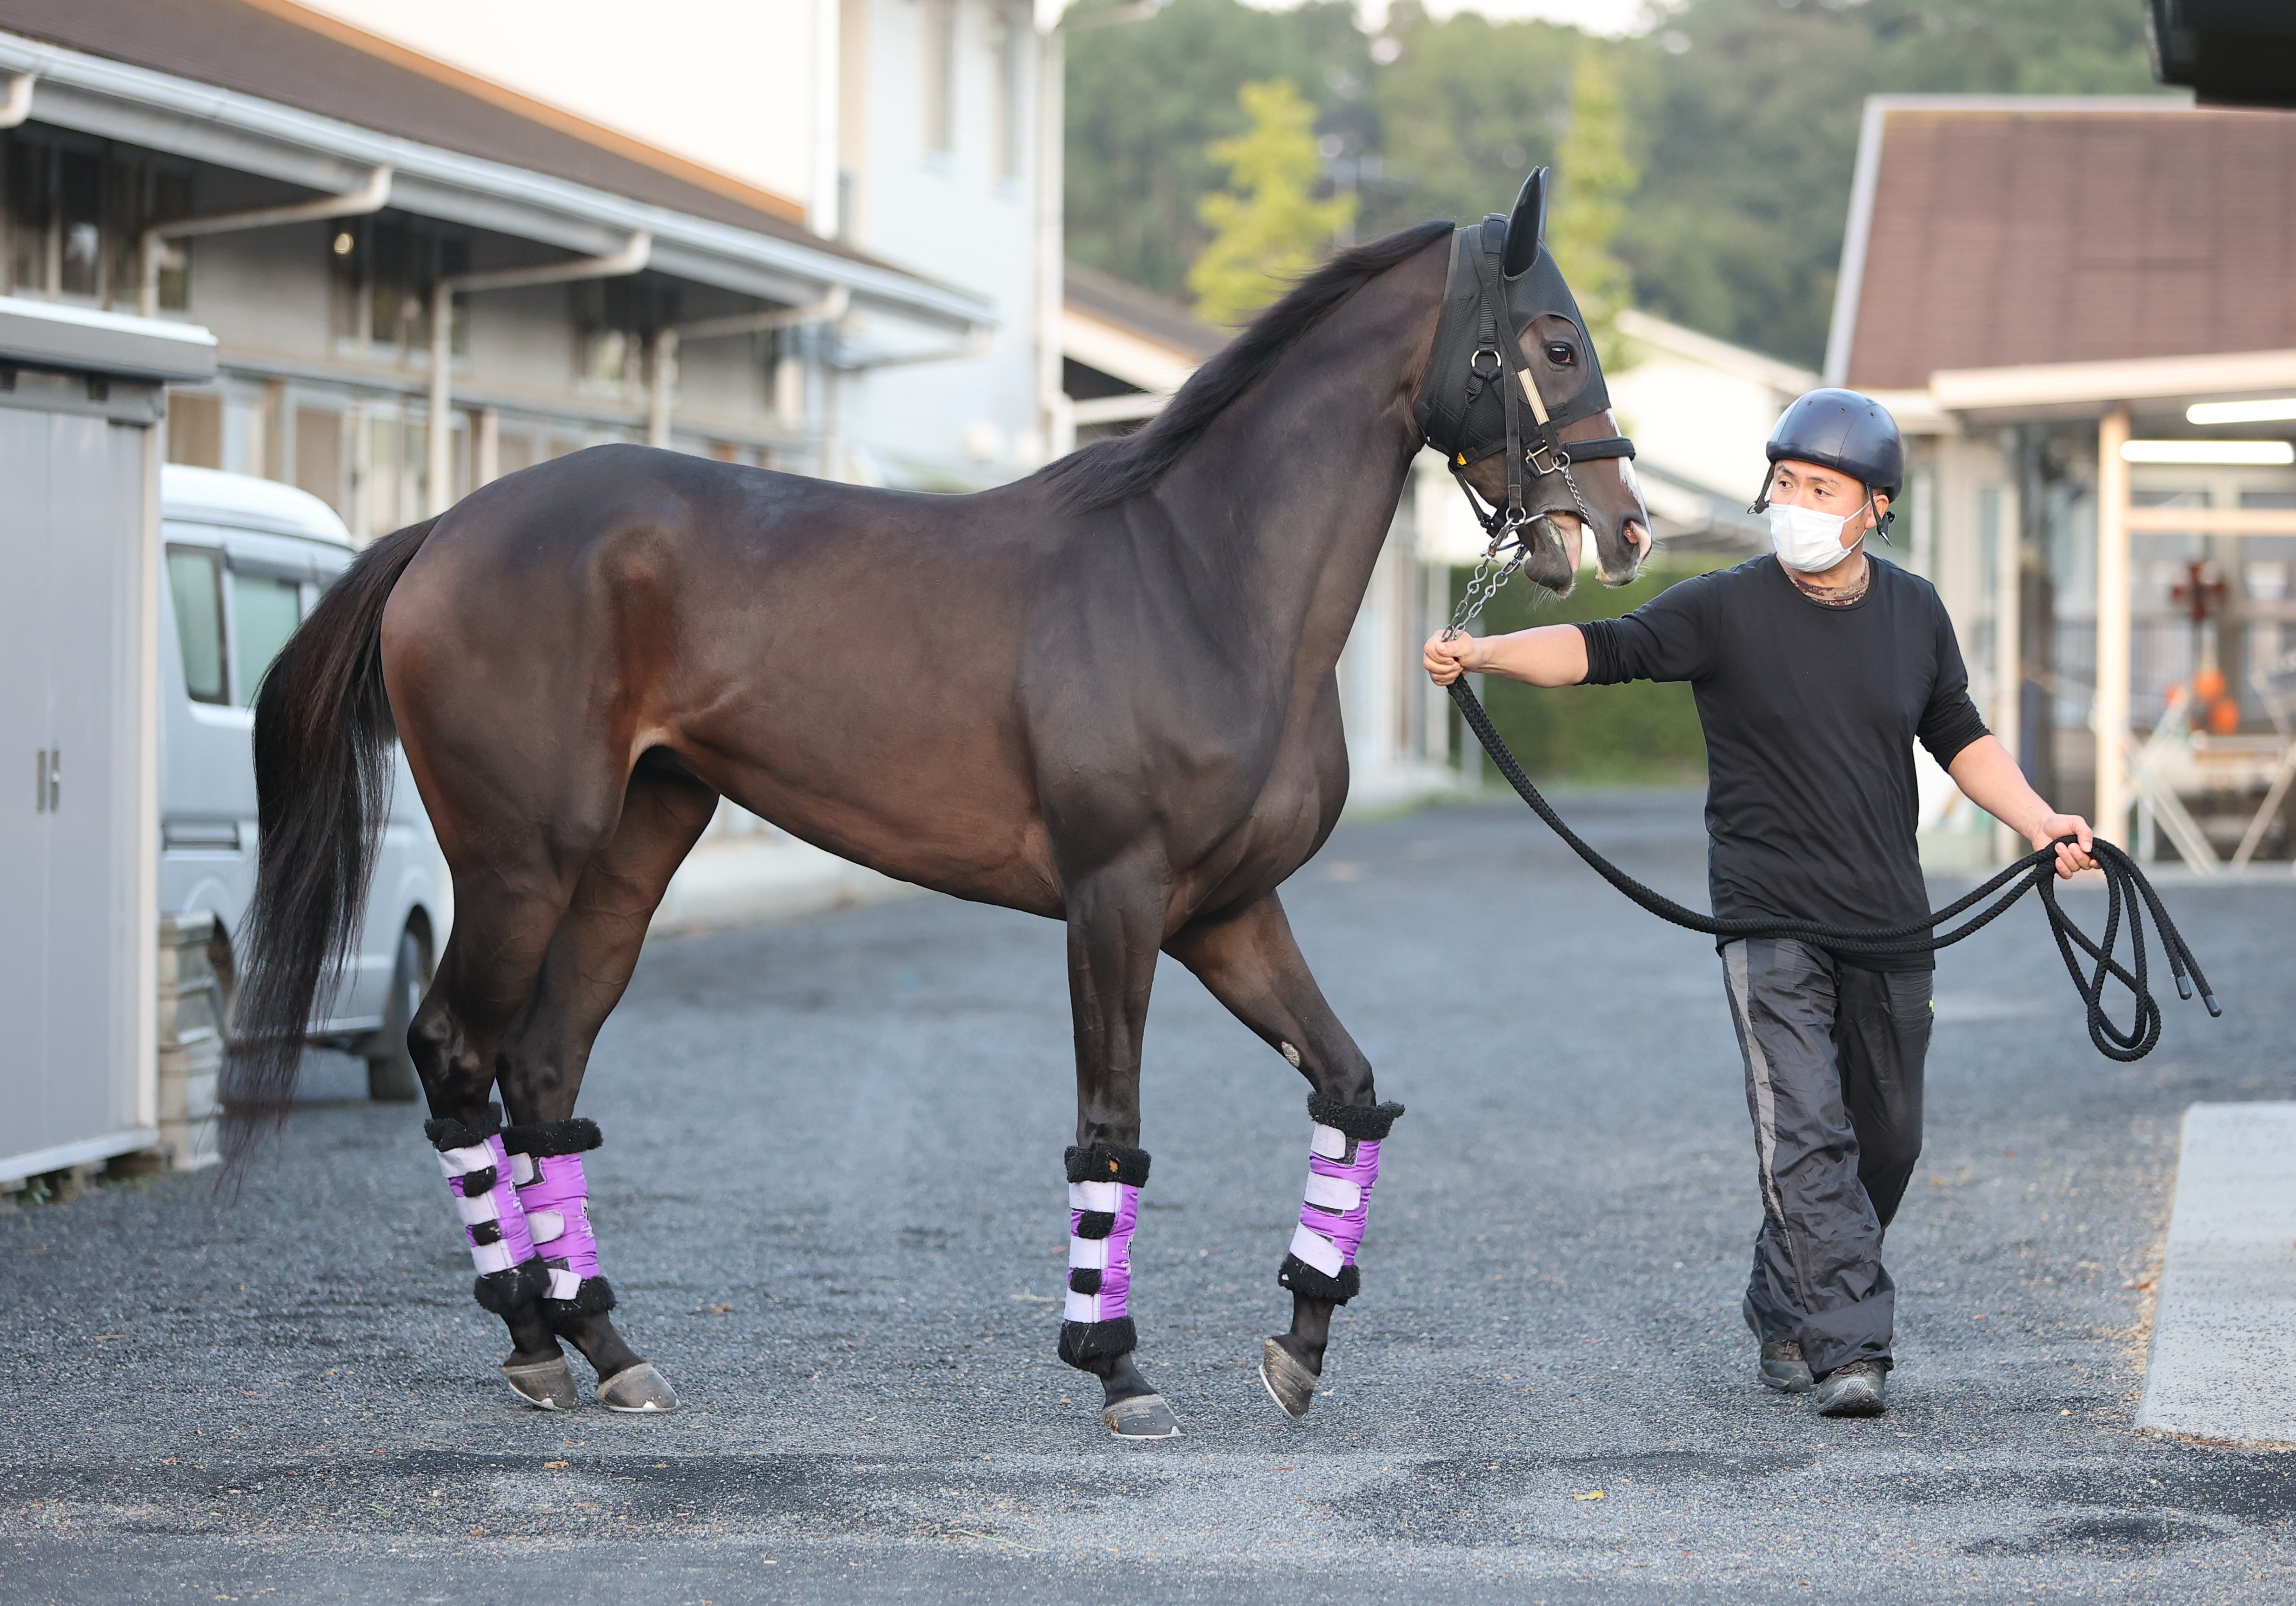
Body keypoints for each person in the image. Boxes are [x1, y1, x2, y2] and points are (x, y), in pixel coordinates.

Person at [1424, 389, 2096, 1418]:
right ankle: (1847, 1347)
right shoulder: (1723, 606)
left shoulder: (1913, 610)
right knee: (1807, 1132)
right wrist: (1485, 652)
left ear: (1872, 505)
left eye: (1817, 487)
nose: (1792, 502)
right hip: (1767, 918)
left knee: (1888, 1137)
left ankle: (1780, 1300)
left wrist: (2042, 820)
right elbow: (1605, 649)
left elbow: (1957, 734)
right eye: (1782, 482)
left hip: (1887, 915)